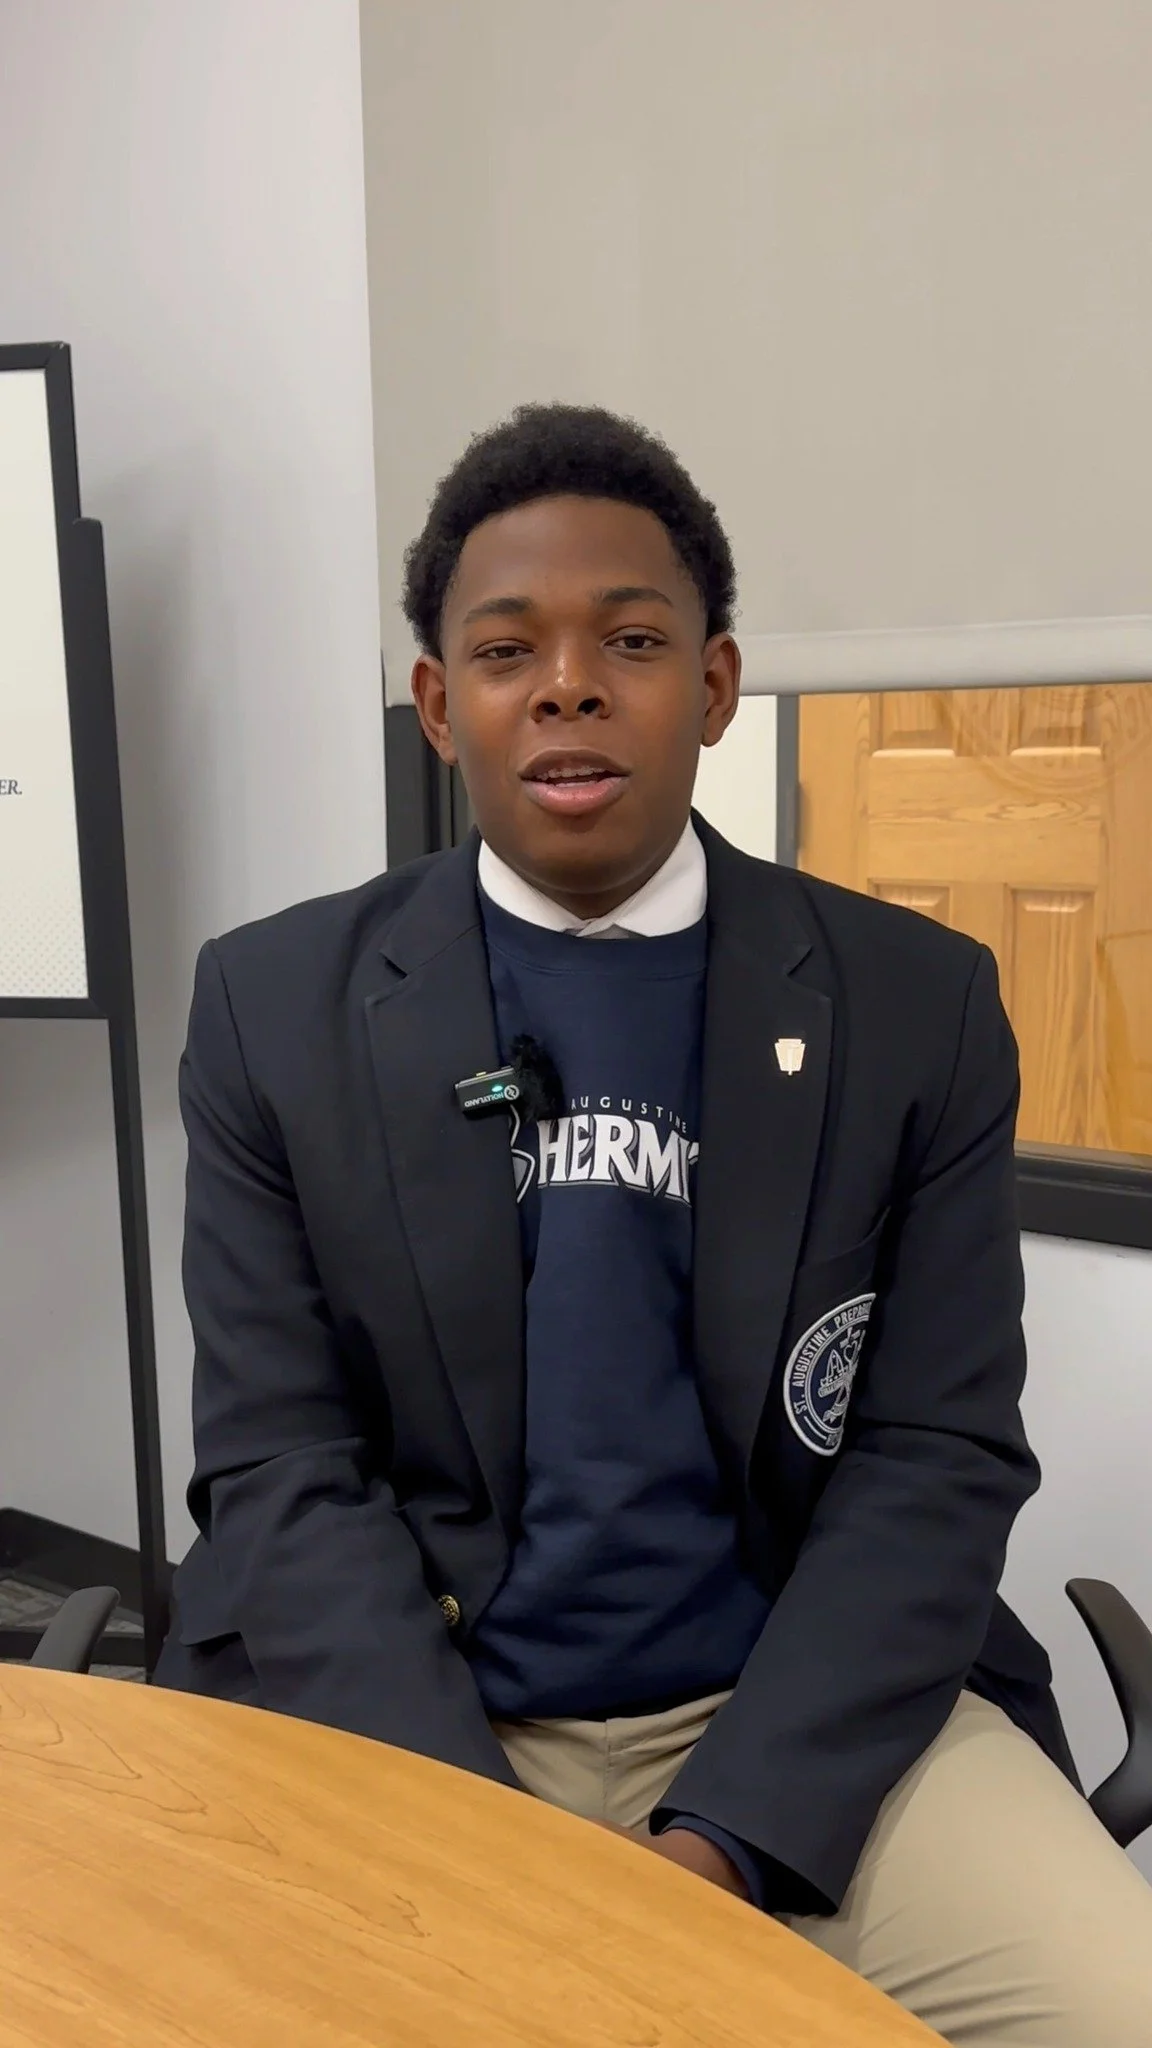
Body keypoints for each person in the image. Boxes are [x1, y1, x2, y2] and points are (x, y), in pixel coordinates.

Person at [157, 403, 1152, 2042]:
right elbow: (279, 1469)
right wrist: (484, 1840)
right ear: (440, 704)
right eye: (508, 650)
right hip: (419, 1715)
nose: (568, 684)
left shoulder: (916, 1006)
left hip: (799, 1718)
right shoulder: (273, 1005)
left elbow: (937, 1458)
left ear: (713, 685)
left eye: (629, 640)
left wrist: (728, 1839)